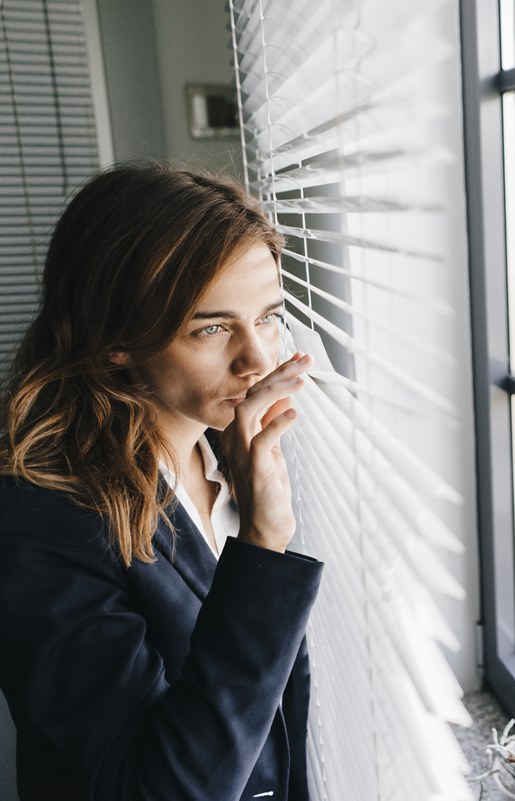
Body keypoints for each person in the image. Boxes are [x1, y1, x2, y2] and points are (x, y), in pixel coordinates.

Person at [0, 163, 322, 801]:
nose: (258, 359)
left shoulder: (225, 458)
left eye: (268, 316)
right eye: (211, 327)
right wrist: (261, 548)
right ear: (118, 337)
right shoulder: (43, 519)